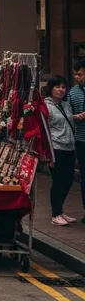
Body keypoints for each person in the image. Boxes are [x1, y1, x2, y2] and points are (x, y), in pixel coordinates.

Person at [45, 75, 77, 226]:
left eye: (63, 87)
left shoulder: (66, 105)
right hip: (56, 148)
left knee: (68, 181)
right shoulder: (46, 106)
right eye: (57, 87)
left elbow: (67, 120)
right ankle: (55, 214)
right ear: (50, 89)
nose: (61, 90)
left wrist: (77, 117)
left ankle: (61, 210)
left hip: (70, 147)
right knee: (59, 181)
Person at [69, 60, 85, 222]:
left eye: (80, 74)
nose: (76, 77)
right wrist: (76, 117)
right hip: (81, 140)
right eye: (75, 74)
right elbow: (68, 114)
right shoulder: (73, 93)